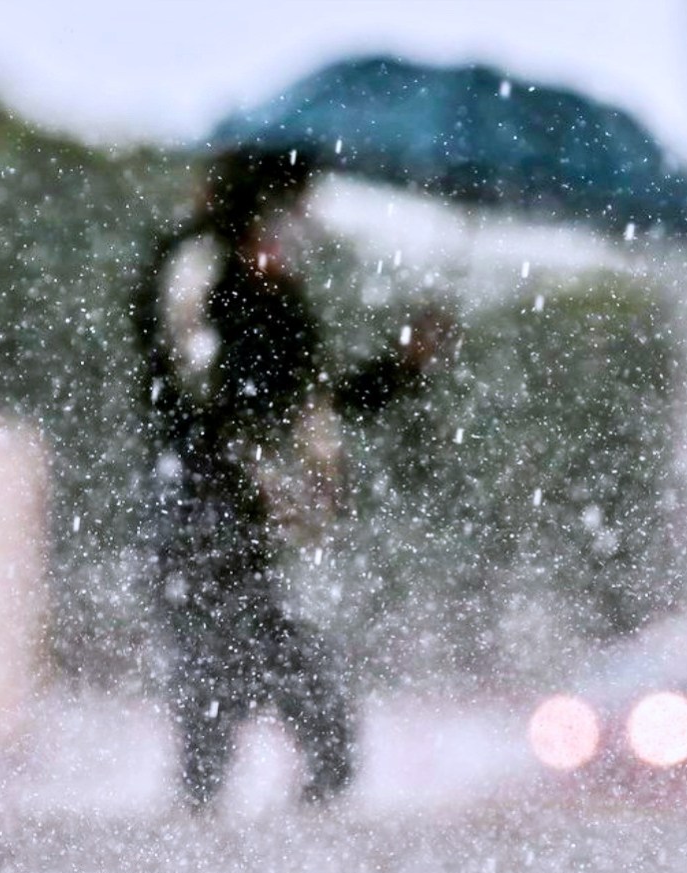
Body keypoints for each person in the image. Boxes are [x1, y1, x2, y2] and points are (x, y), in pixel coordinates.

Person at [131, 149, 451, 808]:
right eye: (296, 201)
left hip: (245, 504)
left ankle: (266, 783)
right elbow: (186, 374)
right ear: (261, 201)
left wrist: (402, 367)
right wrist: (246, 293)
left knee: (241, 647)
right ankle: (227, 792)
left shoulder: (277, 285)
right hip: (198, 491)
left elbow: (309, 401)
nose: (306, 218)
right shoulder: (199, 263)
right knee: (224, 649)